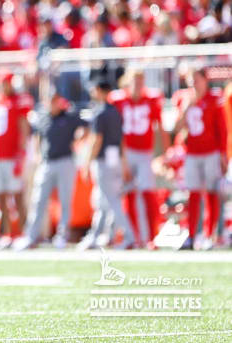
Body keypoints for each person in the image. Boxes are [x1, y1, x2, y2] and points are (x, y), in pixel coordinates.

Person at [15, 90, 89, 250]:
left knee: (65, 201)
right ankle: (31, 235)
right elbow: (37, 136)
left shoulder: (69, 117)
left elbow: (86, 126)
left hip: (65, 161)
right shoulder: (43, 117)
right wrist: (37, 154)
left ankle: (62, 236)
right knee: (38, 199)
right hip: (47, 162)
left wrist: (77, 141)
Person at [109, 70, 168, 248]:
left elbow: (160, 127)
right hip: (125, 152)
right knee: (127, 194)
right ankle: (132, 237)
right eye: (135, 80)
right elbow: (115, 132)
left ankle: (151, 237)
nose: (138, 84)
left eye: (141, 80)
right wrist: (121, 159)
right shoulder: (117, 100)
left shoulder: (152, 99)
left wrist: (164, 155)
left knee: (148, 192)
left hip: (145, 152)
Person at [78, 80, 136, 250]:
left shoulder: (101, 113)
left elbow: (97, 140)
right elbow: (121, 140)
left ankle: (128, 235)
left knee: (110, 199)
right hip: (114, 158)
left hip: (103, 159)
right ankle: (97, 235)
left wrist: (87, 163)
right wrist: (124, 163)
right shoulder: (115, 112)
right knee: (103, 200)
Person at [173, 68, 227, 250]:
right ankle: (192, 235)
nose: (193, 84)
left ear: (205, 80)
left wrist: (223, 154)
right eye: (191, 80)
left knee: (212, 193)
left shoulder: (214, 98)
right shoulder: (185, 98)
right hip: (192, 153)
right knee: (194, 193)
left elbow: (222, 129)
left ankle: (210, 235)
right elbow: (176, 127)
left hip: (211, 152)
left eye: (196, 79)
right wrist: (186, 108)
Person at [0, 69, 33, 249]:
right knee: (1, 196)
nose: (5, 86)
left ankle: (24, 233)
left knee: (17, 195)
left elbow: (24, 128)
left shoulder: (19, 100)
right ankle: (8, 233)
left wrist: (22, 153)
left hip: (12, 155)